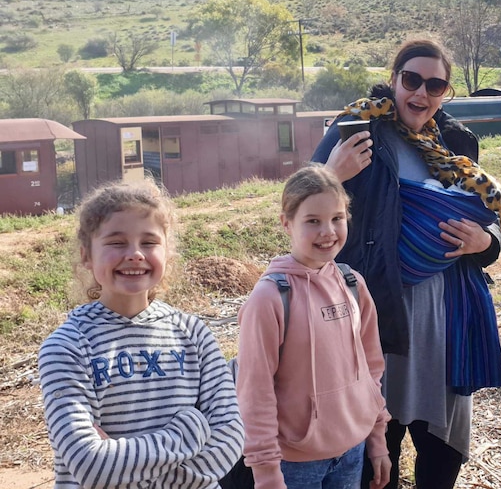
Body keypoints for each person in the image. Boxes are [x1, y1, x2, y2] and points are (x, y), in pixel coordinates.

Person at [311, 38, 501, 489]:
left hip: (446, 314)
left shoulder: (456, 141)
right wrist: (331, 176)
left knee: (441, 453)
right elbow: (299, 206)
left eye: (435, 85)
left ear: (446, 92)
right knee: (377, 449)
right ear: (395, 78)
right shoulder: (355, 127)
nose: (421, 94)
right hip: (376, 310)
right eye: (412, 80)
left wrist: (486, 242)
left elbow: (486, 214)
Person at [37, 178, 244, 489]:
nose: (134, 254)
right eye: (116, 242)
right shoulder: (67, 347)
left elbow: (230, 438)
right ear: (86, 255)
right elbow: (90, 465)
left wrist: (125, 467)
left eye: (148, 242)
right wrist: (190, 430)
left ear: (167, 251)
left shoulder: (194, 335)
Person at [236, 163, 391, 489]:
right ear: (286, 223)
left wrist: (377, 439)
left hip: (352, 451)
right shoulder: (270, 298)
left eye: (337, 218)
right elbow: (255, 393)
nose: (328, 232)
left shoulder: (353, 284)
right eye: (313, 221)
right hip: (294, 464)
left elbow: (371, 371)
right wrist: (266, 473)